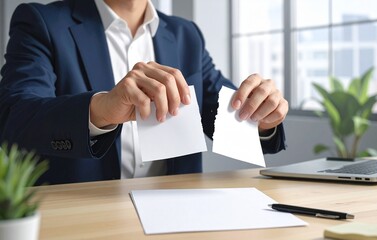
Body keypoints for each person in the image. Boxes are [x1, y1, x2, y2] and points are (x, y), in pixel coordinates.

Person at [0, 0, 289, 184]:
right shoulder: (43, 22)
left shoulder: (186, 35)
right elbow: (15, 118)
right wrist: (100, 109)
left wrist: (262, 118)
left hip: (177, 215)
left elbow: (224, 117)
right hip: (83, 215)